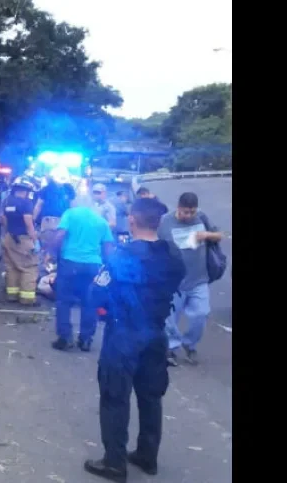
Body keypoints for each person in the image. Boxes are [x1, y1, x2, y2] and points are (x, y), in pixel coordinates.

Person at [82, 198, 186, 483]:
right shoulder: (172, 255)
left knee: (115, 397)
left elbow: (96, 293)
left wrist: (104, 311)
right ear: (158, 222)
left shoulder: (122, 255)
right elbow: (178, 283)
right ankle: (147, 455)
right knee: (151, 396)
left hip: (124, 334)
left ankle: (114, 463)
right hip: (156, 333)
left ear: (132, 220)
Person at [157, 192, 224, 366]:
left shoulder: (201, 217)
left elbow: (220, 235)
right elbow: (155, 244)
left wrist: (206, 235)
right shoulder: (165, 221)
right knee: (170, 319)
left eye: (192, 212)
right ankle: (171, 347)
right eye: (185, 212)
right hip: (175, 281)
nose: (189, 216)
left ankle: (189, 344)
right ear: (178, 207)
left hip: (199, 279)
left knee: (201, 314)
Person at [50, 195, 115, 351]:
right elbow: (108, 247)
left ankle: (65, 338)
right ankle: (86, 339)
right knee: (89, 302)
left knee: (64, 301)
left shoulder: (70, 214)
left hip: (70, 262)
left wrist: (52, 252)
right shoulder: (101, 221)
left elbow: (60, 235)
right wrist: (108, 265)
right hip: (93, 265)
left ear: (76, 203)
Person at [0, 177, 40, 305]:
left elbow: (2, 219)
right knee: (29, 267)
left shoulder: (7, 201)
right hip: (22, 239)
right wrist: (35, 240)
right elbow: (28, 223)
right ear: (26, 191)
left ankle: (12, 295)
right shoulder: (26, 203)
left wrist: (8, 232)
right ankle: (27, 298)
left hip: (9, 237)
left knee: (12, 267)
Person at [34, 169, 76, 254]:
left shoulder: (68, 189)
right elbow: (39, 205)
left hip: (63, 220)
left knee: (61, 246)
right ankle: (49, 263)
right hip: (50, 221)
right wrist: (33, 220)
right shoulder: (46, 189)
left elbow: (73, 205)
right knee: (49, 246)